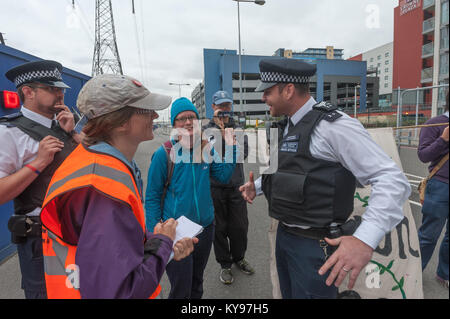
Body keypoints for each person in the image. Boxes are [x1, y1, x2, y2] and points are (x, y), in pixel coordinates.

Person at [239, 58, 411, 299]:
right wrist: (256, 187)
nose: (262, 98)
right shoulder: (287, 127)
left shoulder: (334, 126)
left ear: (288, 90)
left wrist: (364, 240)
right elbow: (289, 171)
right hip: (286, 238)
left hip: (316, 246)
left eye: (267, 91)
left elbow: (391, 179)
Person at [39, 74, 197, 299]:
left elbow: (115, 248)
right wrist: (163, 243)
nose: (154, 115)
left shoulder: (95, 161)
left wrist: (159, 243)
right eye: (146, 110)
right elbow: (121, 291)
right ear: (121, 122)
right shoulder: (103, 189)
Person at [0, 60, 82, 299]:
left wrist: (74, 133)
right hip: (42, 241)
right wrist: (38, 163)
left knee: (77, 293)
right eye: (52, 88)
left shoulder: (65, 126)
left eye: (61, 88)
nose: (61, 93)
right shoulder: (9, 133)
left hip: (77, 234)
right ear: (28, 92)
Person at [145, 97, 237, 298]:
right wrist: (157, 235)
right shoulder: (164, 154)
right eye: (181, 119)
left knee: (197, 283)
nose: (187, 122)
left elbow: (223, 175)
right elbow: (151, 197)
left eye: (192, 117)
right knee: (181, 288)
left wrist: (230, 147)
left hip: (205, 228)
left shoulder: (205, 148)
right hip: (177, 234)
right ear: (174, 124)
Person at [202, 90, 254, 285]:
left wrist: (227, 137)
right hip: (214, 188)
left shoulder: (237, 128)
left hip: (236, 187)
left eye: (227, 106)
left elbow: (244, 153)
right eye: (221, 106)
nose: (224, 109)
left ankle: (239, 258)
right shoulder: (206, 130)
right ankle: (225, 264)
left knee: (239, 227)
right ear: (213, 107)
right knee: (219, 228)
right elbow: (204, 156)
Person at [417, 91, 449, 289]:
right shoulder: (435, 123)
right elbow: (423, 155)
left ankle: (444, 273)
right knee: (428, 235)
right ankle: (413, 272)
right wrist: (444, 139)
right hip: (440, 186)